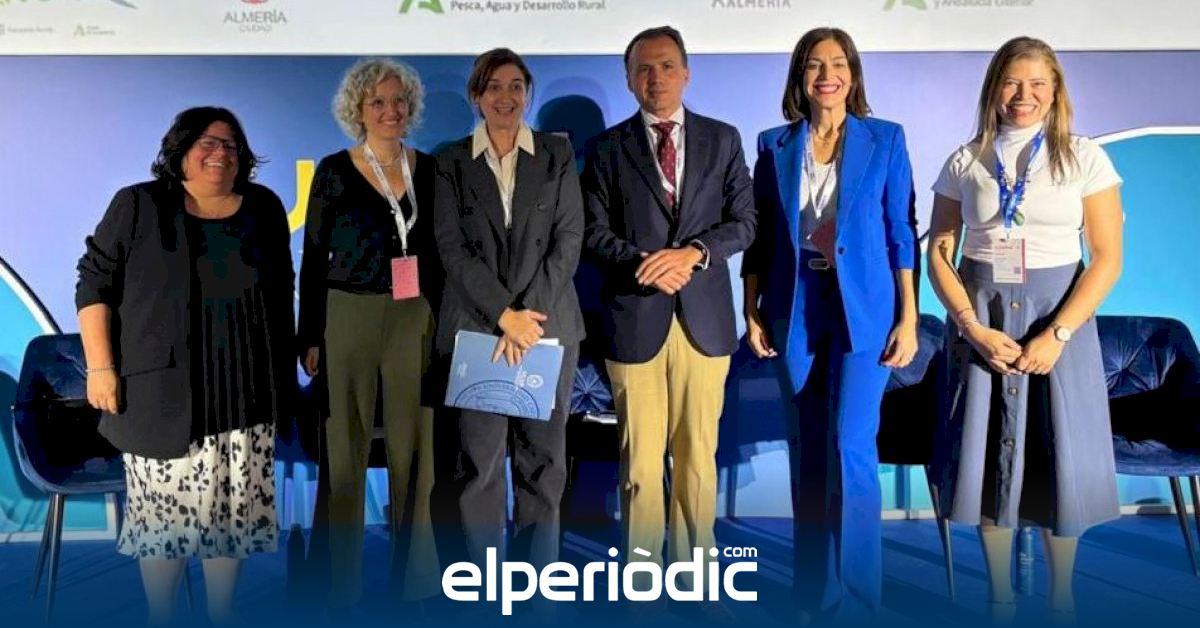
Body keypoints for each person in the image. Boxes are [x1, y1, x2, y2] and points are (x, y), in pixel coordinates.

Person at [927, 36, 1123, 620]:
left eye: (1038, 83)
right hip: (983, 324)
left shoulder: (1084, 157)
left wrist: (1057, 335)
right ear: (994, 88)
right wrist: (971, 327)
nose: (1024, 95)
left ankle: (1062, 600)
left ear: (1056, 91)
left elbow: (1107, 258)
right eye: (1012, 82)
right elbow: (940, 252)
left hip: (1058, 324)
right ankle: (1000, 597)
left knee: (1057, 461)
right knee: (987, 458)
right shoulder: (965, 160)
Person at [76, 106, 295, 624]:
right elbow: (94, 283)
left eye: (230, 144)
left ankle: (222, 614)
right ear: (180, 151)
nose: (220, 153)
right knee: (163, 523)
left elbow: (283, 288)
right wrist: (101, 367)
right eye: (207, 143)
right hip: (161, 396)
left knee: (231, 518)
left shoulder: (264, 206)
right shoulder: (139, 204)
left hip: (245, 389)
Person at [743, 27, 919, 621]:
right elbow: (761, 236)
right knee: (809, 450)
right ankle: (815, 594)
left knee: (851, 444)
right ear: (800, 76)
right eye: (814, 65)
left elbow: (901, 233)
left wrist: (909, 317)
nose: (827, 75)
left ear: (853, 74)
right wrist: (751, 309)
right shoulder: (773, 144)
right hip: (794, 306)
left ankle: (859, 600)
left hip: (865, 308)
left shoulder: (885, 139)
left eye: (837, 64)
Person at [582, 25, 756, 595]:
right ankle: (641, 589)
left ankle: (695, 584)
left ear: (686, 73)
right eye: (643, 69)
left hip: (705, 325)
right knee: (638, 467)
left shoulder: (723, 139)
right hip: (634, 322)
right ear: (628, 80)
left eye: (665, 66)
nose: (654, 78)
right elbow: (592, 231)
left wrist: (694, 253)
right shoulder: (606, 149)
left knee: (698, 462)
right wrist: (646, 263)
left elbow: (744, 222)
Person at [430, 48, 584, 582]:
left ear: (527, 93)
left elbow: (568, 238)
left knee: (544, 464)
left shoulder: (556, 154)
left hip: (547, 328)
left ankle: (537, 586)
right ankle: (482, 582)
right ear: (477, 95)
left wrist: (525, 318)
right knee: (480, 466)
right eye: (494, 86)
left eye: (516, 86)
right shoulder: (450, 161)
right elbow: (452, 249)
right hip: (481, 332)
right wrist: (503, 315)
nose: (506, 97)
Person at [297, 57, 442, 608]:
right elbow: (313, 256)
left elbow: (442, 255)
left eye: (399, 100)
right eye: (377, 102)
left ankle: (417, 580)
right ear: (357, 110)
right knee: (344, 450)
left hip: (414, 317)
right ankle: (340, 583)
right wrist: (310, 335)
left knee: (415, 450)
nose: (390, 110)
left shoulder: (430, 169)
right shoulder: (335, 171)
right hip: (347, 314)